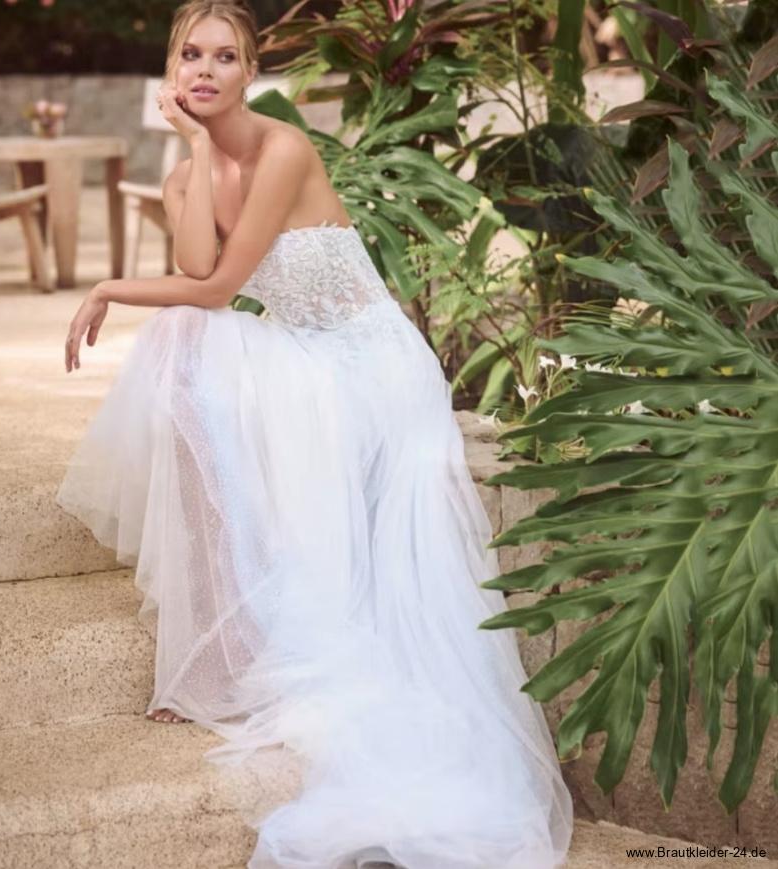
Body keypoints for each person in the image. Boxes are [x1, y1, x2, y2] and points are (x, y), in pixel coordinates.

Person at [56, 1, 574, 866]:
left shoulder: (284, 150)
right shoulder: (188, 176)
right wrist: (192, 154)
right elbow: (195, 270)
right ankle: (226, 643)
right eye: (191, 55)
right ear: (171, 69)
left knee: (188, 331)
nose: (206, 71)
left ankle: (242, 642)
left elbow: (215, 289)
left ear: (251, 70)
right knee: (181, 346)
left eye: (225, 56)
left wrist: (108, 288)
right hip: (308, 360)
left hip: (375, 371)